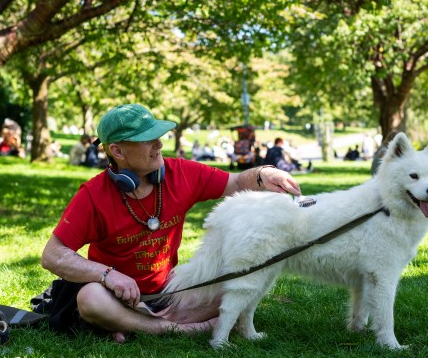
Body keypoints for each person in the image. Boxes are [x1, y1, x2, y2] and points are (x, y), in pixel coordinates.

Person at [38, 103, 301, 343]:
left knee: (240, 278)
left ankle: (133, 326)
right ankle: (175, 328)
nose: (159, 145)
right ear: (117, 151)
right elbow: (52, 255)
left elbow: (234, 182)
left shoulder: (181, 172)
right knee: (89, 299)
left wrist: (264, 173)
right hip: (116, 296)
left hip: (171, 291)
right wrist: (107, 275)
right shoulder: (93, 195)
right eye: (147, 140)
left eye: (157, 136)